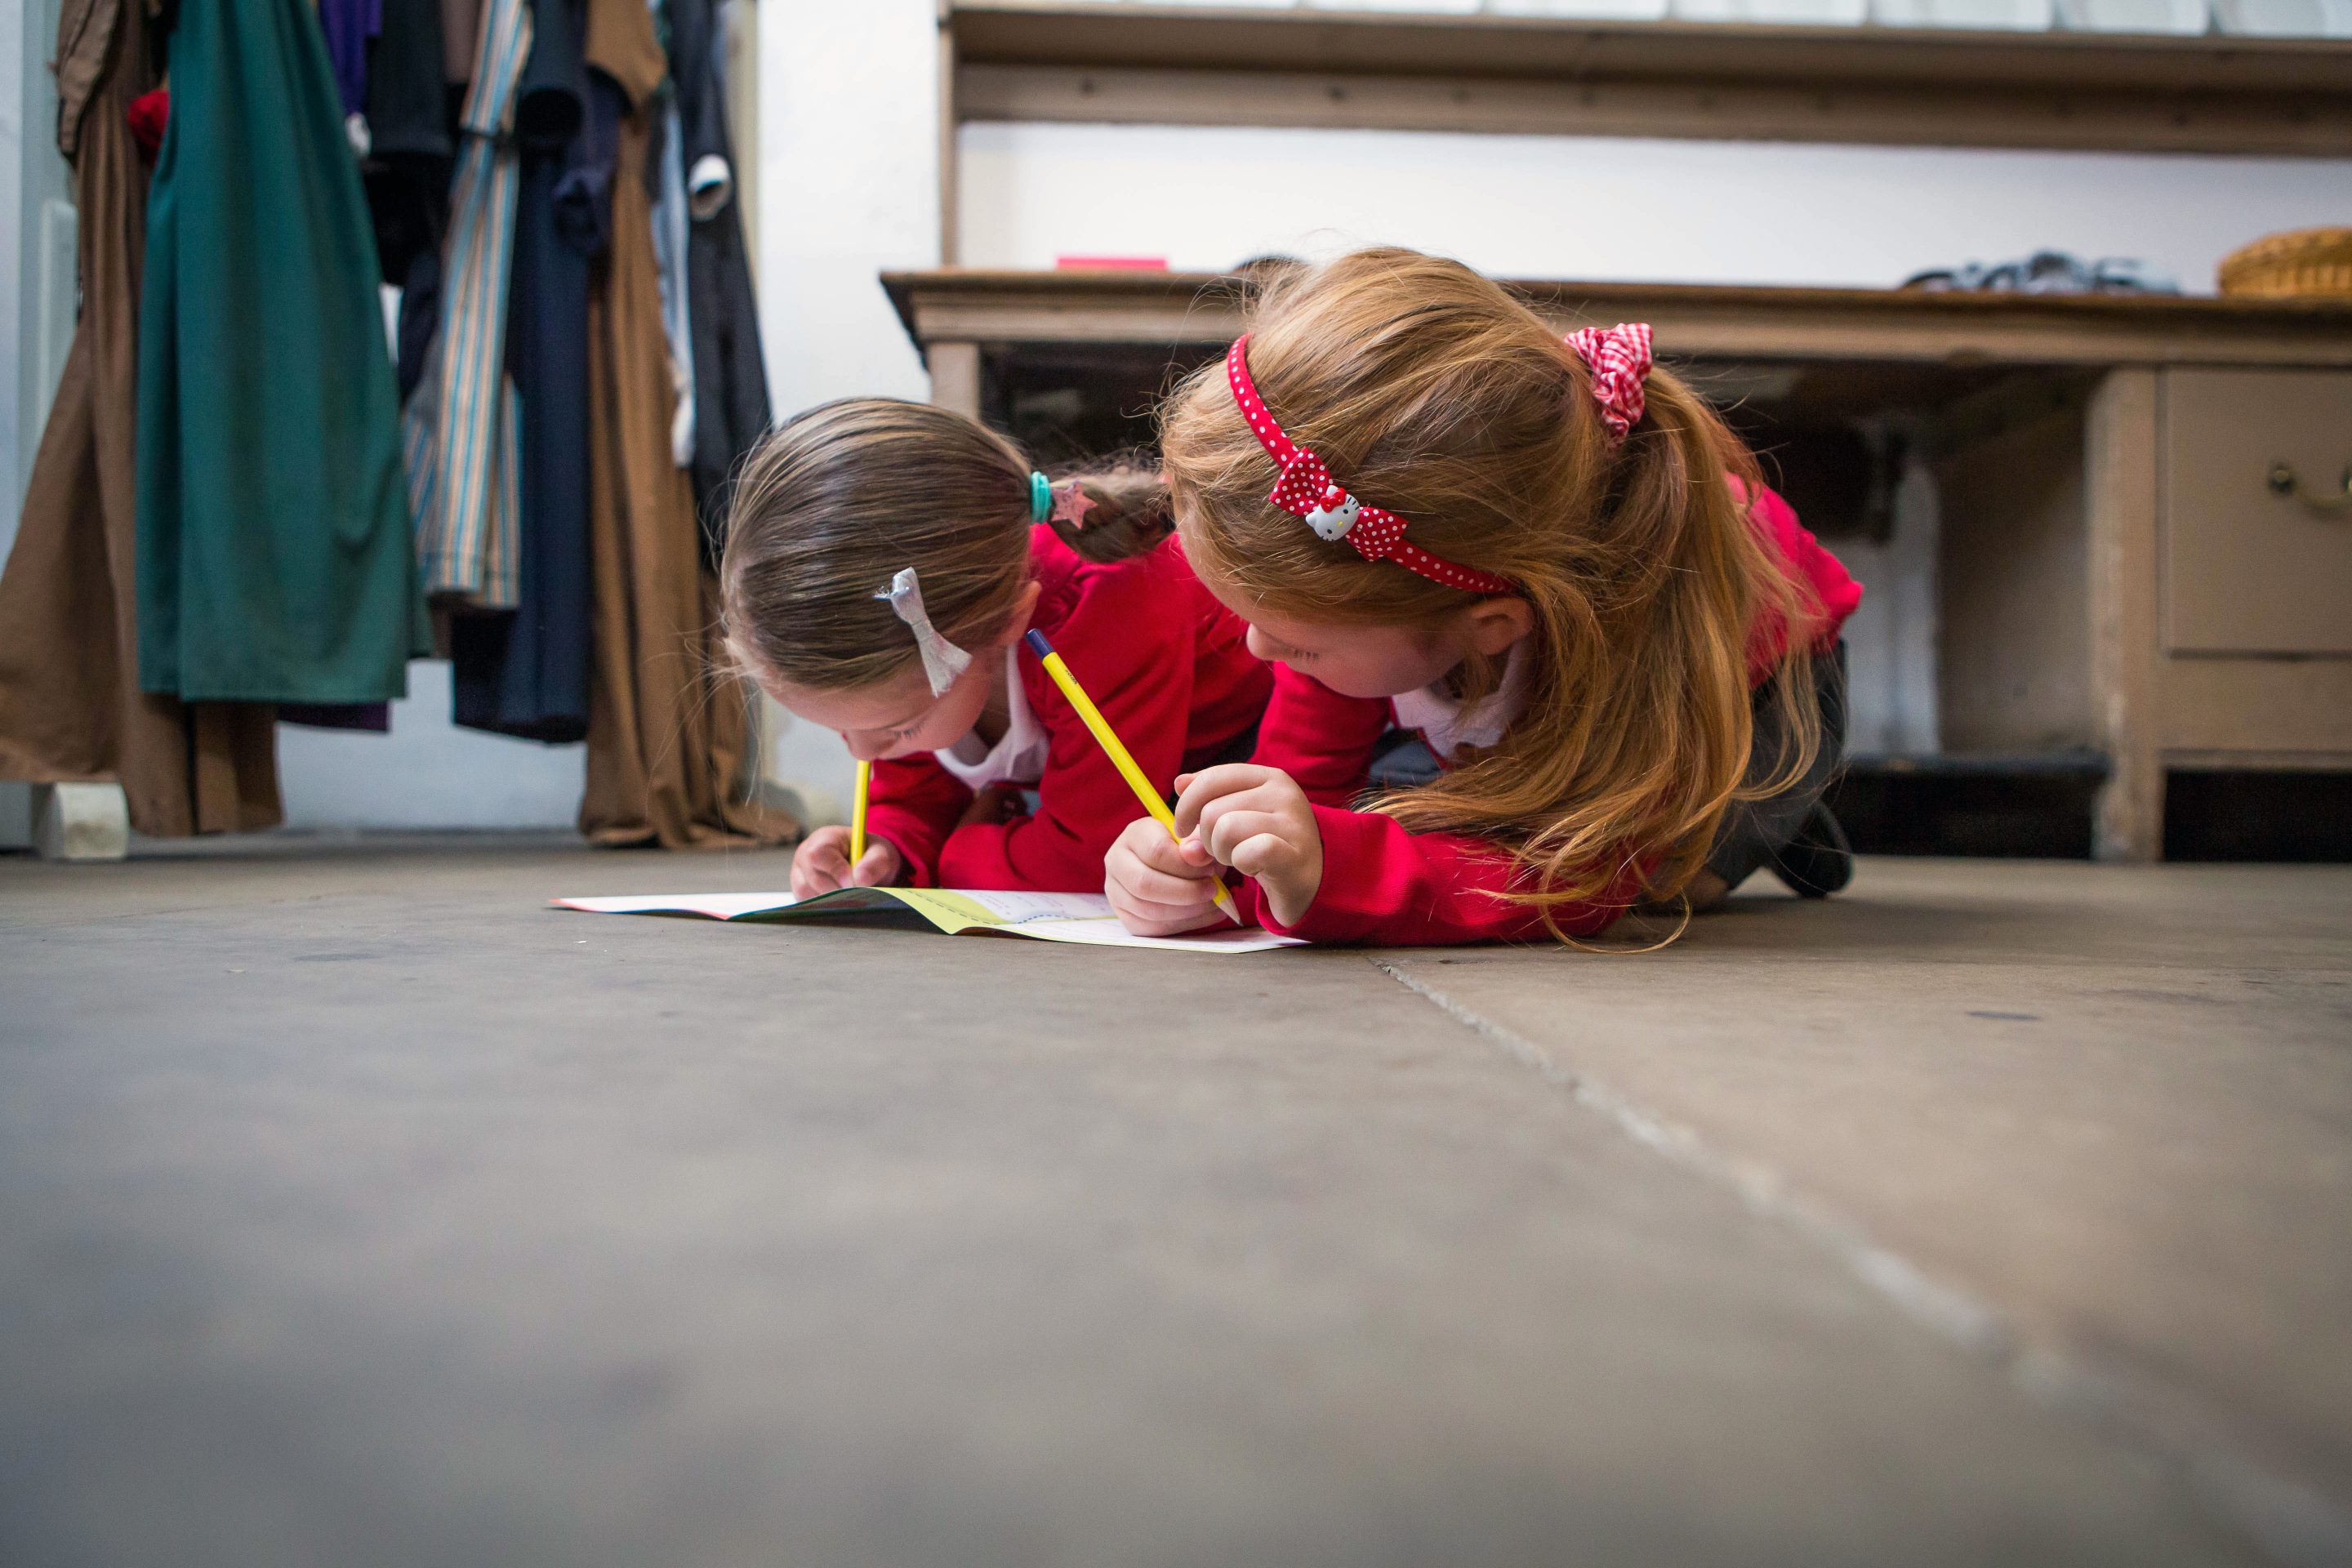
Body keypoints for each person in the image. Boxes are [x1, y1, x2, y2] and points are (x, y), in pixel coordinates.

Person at [1103, 248, 1862, 946]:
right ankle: (1750, 820)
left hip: (1763, 686)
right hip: (1505, 646)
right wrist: (1214, 863)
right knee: (1435, 807)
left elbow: (1574, 879)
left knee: (1655, 883)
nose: (1257, 649)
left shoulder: (1642, 648)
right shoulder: (1363, 592)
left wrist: (1334, 868)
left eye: (1296, 643)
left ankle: (1769, 813)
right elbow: (1301, 788)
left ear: (1490, 626)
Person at [723, 399, 1272, 897]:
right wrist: (888, 848)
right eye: (841, 729)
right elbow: (916, 791)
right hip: (1112, 783)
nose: (862, 755)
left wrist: (962, 851)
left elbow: (1089, 859)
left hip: (1255, 754)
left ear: (1012, 618)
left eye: (900, 728)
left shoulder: (1106, 605)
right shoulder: (917, 657)